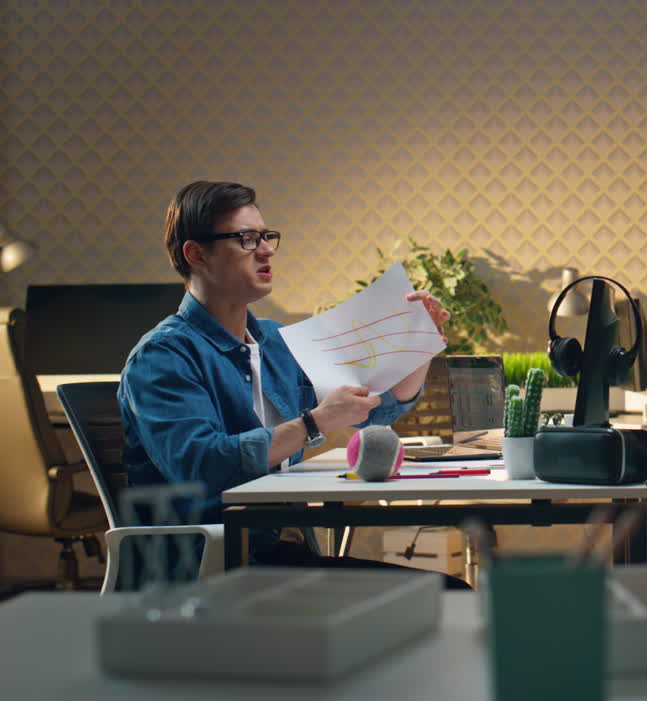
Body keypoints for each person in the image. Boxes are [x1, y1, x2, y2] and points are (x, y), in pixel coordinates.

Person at [119, 180, 467, 584]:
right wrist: (312, 423)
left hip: (279, 555)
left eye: (266, 236)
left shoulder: (275, 341)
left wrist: (417, 342)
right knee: (444, 595)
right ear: (196, 254)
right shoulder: (163, 357)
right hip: (210, 568)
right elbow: (202, 465)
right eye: (246, 239)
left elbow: (379, 408)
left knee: (444, 593)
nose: (266, 250)